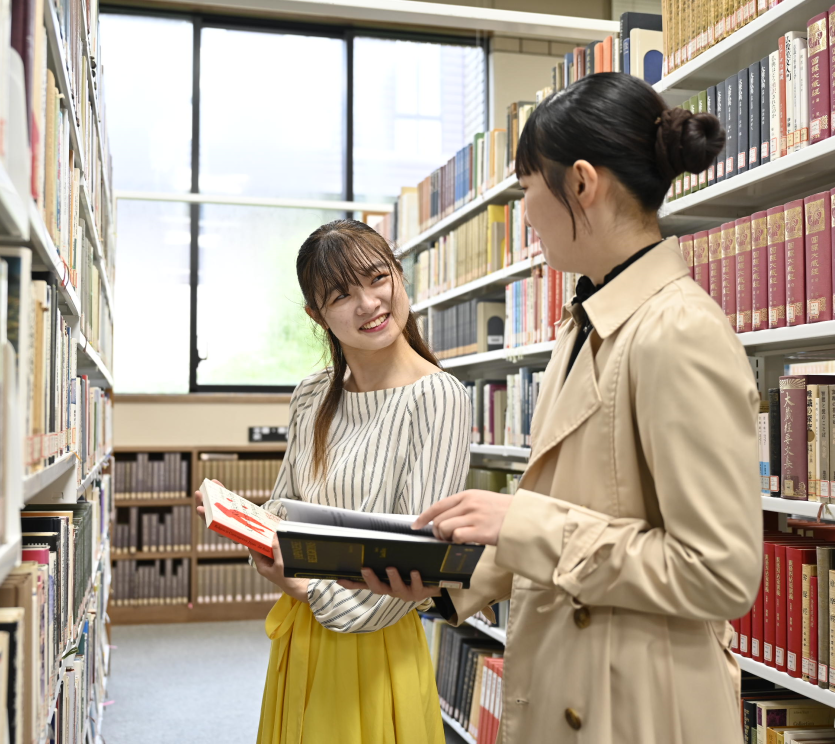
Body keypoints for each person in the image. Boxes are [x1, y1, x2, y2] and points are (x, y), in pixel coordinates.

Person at [351, 72, 763, 743]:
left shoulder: (680, 332)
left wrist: (522, 522)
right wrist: (443, 581)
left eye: (526, 191)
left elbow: (718, 573)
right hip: (576, 681)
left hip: (640, 710)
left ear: (580, 184)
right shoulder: (583, 321)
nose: (525, 214)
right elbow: (571, 514)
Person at [196, 218, 471, 744]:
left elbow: (415, 555)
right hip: (301, 634)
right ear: (315, 315)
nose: (368, 303)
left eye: (377, 278)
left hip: (373, 645)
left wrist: (305, 585)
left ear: (399, 275)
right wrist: (249, 526)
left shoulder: (439, 397)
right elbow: (284, 503)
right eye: (342, 295)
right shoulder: (311, 394)